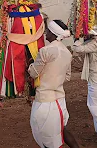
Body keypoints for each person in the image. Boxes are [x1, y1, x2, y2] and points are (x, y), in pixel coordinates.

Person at [28, 20, 79, 148]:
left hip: (45, 101)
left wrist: (29, 65)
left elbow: (33, 73)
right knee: (61, 130)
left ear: (53, 33)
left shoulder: (45, 51)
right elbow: (67, 77)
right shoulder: (67, 52)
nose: (45, 33)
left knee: (47, 138)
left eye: (47, 31)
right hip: (60, 101)